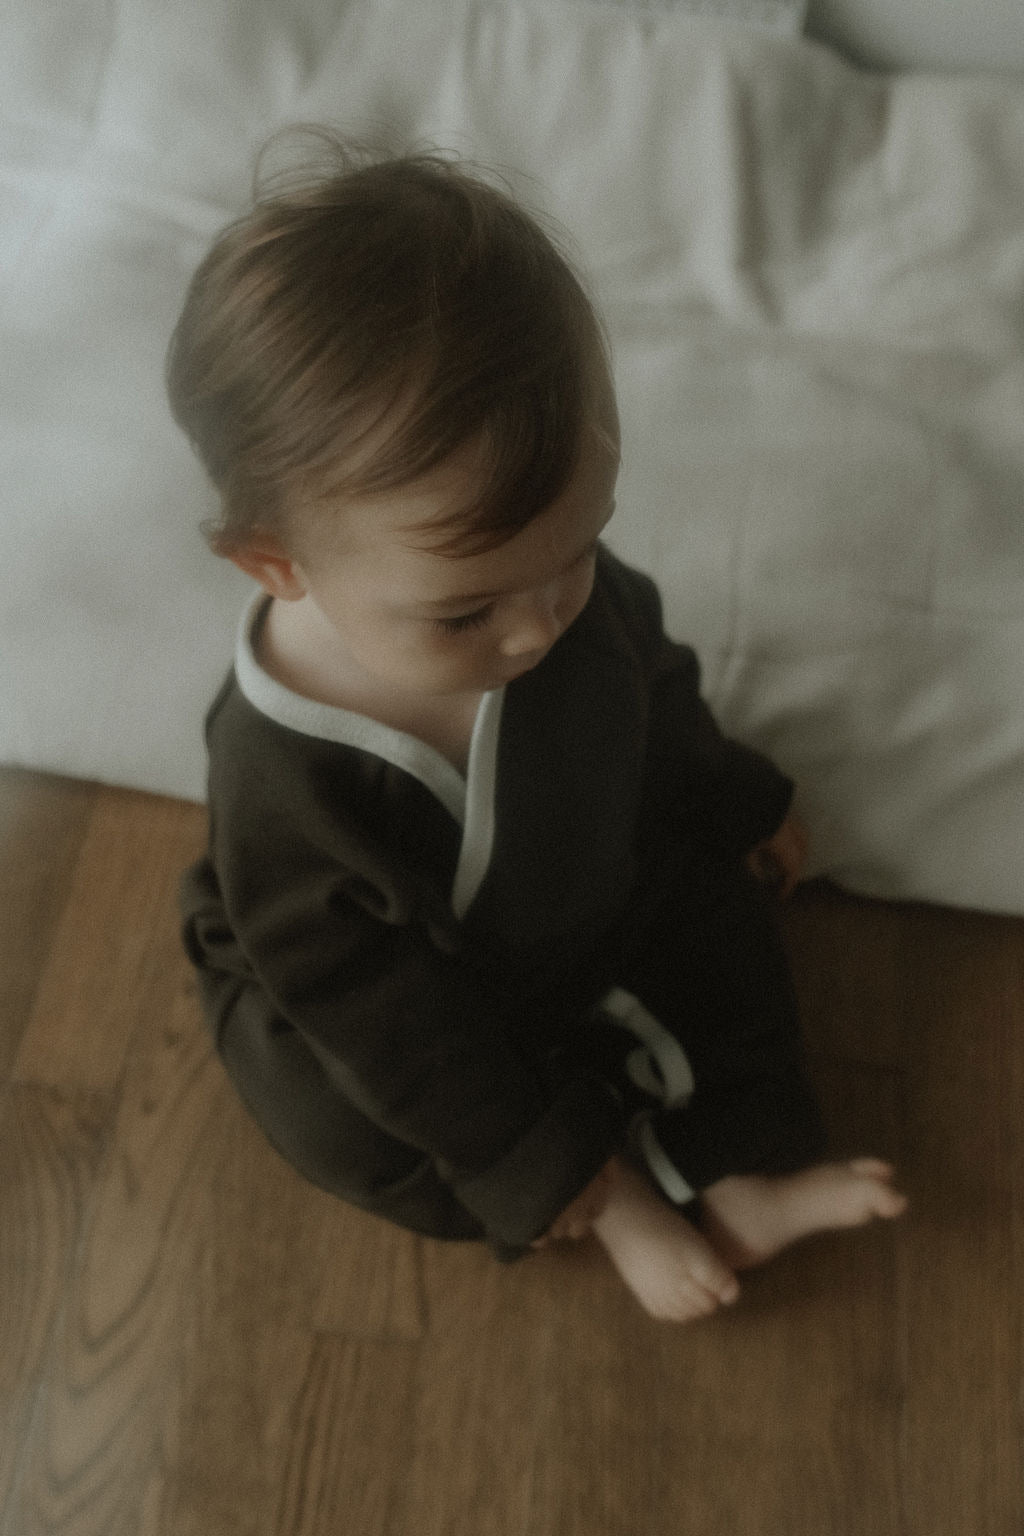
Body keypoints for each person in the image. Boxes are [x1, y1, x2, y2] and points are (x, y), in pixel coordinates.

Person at [168, 138, 906, 1324]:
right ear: (278, 563)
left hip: (576, 885)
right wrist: (546, 1163)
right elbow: (369, 1000)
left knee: (722, 922)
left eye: (580, 544)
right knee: (341, 1105)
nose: (542, 622)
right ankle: (615, 1200)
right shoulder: (284, 777)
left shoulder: (550, 590)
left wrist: (734, 795)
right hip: (392, 1001)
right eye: (468, 610)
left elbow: (654, 691)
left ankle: (743, 1168)